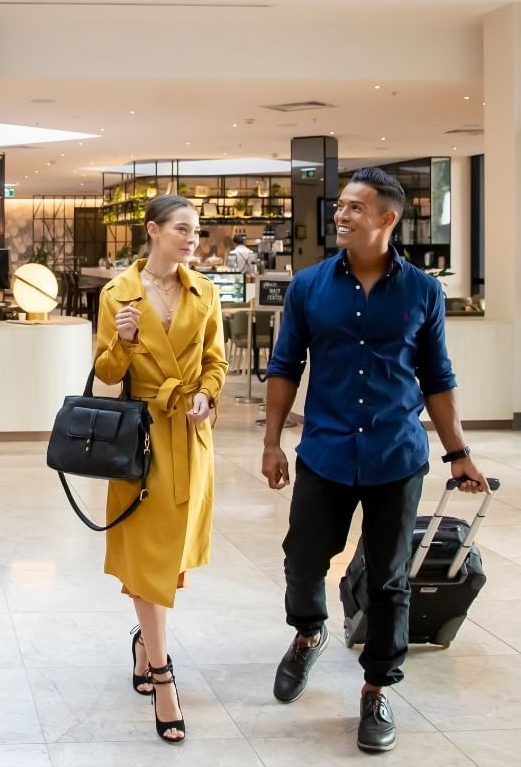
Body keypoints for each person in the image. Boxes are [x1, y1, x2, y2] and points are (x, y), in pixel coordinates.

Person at [262, 167, 489, 754]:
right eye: (341, 206)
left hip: (395, 453)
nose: (340, 215)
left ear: (387, 218)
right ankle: (309, 633)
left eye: (355, 208)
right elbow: (285, 366)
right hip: (326, 450)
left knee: (390, 578)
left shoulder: (422, 291)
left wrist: (458, 453)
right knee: (304, 558)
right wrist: (270, 442)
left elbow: (437, 377)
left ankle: (376, 687)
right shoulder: (309, 286)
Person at [95, 195, 228, 743]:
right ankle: (162, 672)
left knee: (169, 558)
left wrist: (209, 395)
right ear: (153, 231)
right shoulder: (117, 295)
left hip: (189, 437)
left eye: (196, 231)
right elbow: (104, 371)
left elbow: (217, 361)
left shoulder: (206, 291)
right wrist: (124, 341)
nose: (192, 239)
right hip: (141, 442)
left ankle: (142, 645)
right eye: (182, 229)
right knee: (148, 556)